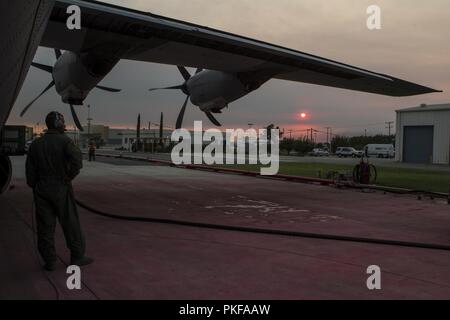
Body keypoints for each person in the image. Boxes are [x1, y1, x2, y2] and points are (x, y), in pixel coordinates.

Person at [26, 111, 93, 271]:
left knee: (45, 226)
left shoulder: (36, 143)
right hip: (61, 187)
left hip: (41, 189)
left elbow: (30, 170)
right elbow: (77, 160)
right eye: (62, 122)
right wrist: (69, 176)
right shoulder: (65, 141)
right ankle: (77, 256)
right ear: (58, 124)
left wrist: (35, 184)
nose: (64, 125)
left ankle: (49, 260)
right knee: (70, 223)